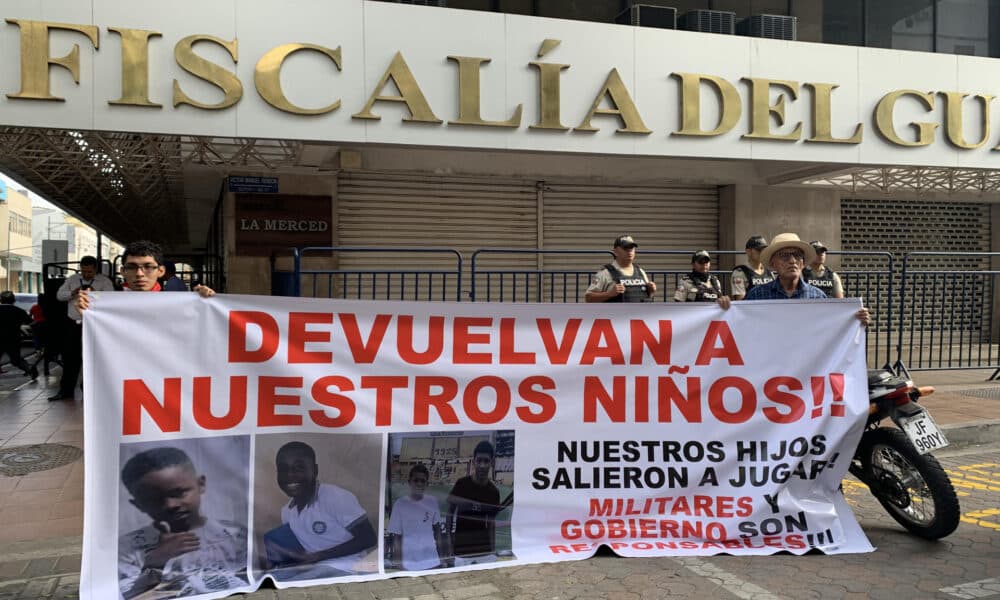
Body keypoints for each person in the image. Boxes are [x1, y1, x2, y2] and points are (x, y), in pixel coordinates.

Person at [58, 243, 214, 401]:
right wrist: (87, 314)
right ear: (122, 271)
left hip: (162, 387)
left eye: (148, 267)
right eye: (132, 267)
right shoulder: (106, 304)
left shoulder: (180, 303)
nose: (140, 273)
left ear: (161, 271)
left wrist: (205, 304)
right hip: (121, 388)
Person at [118, 447, 248, 599]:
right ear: (138, 504)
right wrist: (155, 561)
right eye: (153, 499)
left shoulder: (235, 534)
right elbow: (126, 594)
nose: (170, 505)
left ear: (201, 484)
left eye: (179, 493)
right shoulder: (126, 548)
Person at [263, 441, 377, 578]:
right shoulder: (286, 511)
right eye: (283, 469)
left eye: (298, 468)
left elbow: (369, 538)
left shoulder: (336, 497)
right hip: (313, 566)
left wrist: (318, 557)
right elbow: (304, 547)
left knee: (291, 583)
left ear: (315, 470)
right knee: (271, 578)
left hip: (346, 566)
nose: (290, 475)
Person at [738, 232, 870, 325]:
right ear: (773, 264)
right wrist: (723, 310)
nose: (792, 261)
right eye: (784, 255)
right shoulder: (757, 296)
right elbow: (738, 324)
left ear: (803, 262)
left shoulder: (817, 297)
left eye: (797, 255)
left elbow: (833, 328)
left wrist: (854, 320)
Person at [50, 256, 115, 401]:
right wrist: (73, 292)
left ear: (96, 270)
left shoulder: (104, 281)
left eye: (90, 272)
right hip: (73, 323)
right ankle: (66, 391)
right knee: (70, 358)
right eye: (84, 271)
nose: (86, 275)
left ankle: (89, 391)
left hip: (94, 324)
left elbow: (111, 298)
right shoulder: (72, 279)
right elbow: (59, 296)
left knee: (93, 358)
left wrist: (94, 294)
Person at [445, 440, 501, 567]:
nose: (482, 465)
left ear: (491, 463)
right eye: (479, 460)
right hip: (461, 552)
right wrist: (449, 549)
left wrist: (492, 551)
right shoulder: (461, 484)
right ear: (473, 461)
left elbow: (491, 523)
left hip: (485, 552)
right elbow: (449, 514)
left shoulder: (494, 492)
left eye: (486, 461)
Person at [387, 463, 446, 571]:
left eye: (422, 481)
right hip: (409, 562)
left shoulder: (432, 502)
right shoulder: (400, 504)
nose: (419, 484)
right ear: (409, 482)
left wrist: (442, 558)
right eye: (416, 480)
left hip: (431, 560)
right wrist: (398, 564)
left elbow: (437, 532)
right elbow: (397, 538)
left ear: (426, 484)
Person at [585, 235, 656, 303]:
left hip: (638, 315)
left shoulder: (640, 272)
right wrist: (609, 294)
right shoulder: (606, 273)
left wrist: (651, 291)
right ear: (615, 252)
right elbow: (588, 298)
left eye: (632, 248)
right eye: (625, 248)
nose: (629, 251)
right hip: (616, 315)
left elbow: (646, 297)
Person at [0, 291, 38, 381]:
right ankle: (30, 370)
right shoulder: (19, 311)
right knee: (16, 359)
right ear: (13, 300)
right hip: (13, 339)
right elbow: (32, 323)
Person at [731, 235, 774, 300]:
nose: (762, 252)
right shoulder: (740, 273)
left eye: (764, 250)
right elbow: (740, 301)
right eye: (759, 250)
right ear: (748, 251)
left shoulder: (769, 272)